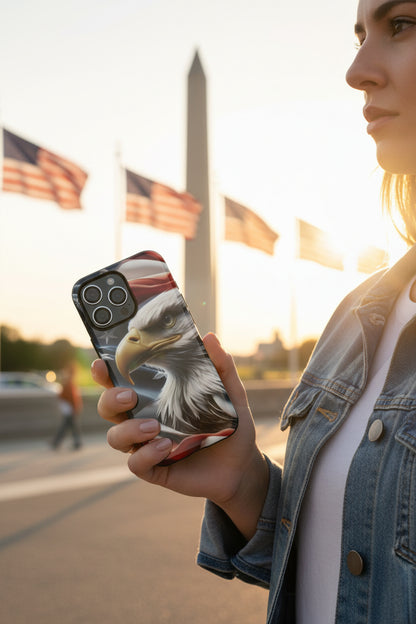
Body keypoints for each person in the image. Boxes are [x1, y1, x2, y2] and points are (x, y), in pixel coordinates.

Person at [91, 0, 416, 621]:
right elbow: (350, 571)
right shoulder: (358, 313)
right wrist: (242, 482)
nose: (356, 70)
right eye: (359, 32)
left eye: (401, 24)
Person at [52, 362, 83, 450]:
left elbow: (64, 396)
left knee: (67, 426)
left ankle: (57, 442)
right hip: (70, 409)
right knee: (70, 426)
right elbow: (72, 397)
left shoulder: (67, 382)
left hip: (69, 409)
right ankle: (76, 443)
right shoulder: (70, 383)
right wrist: (75, 408)